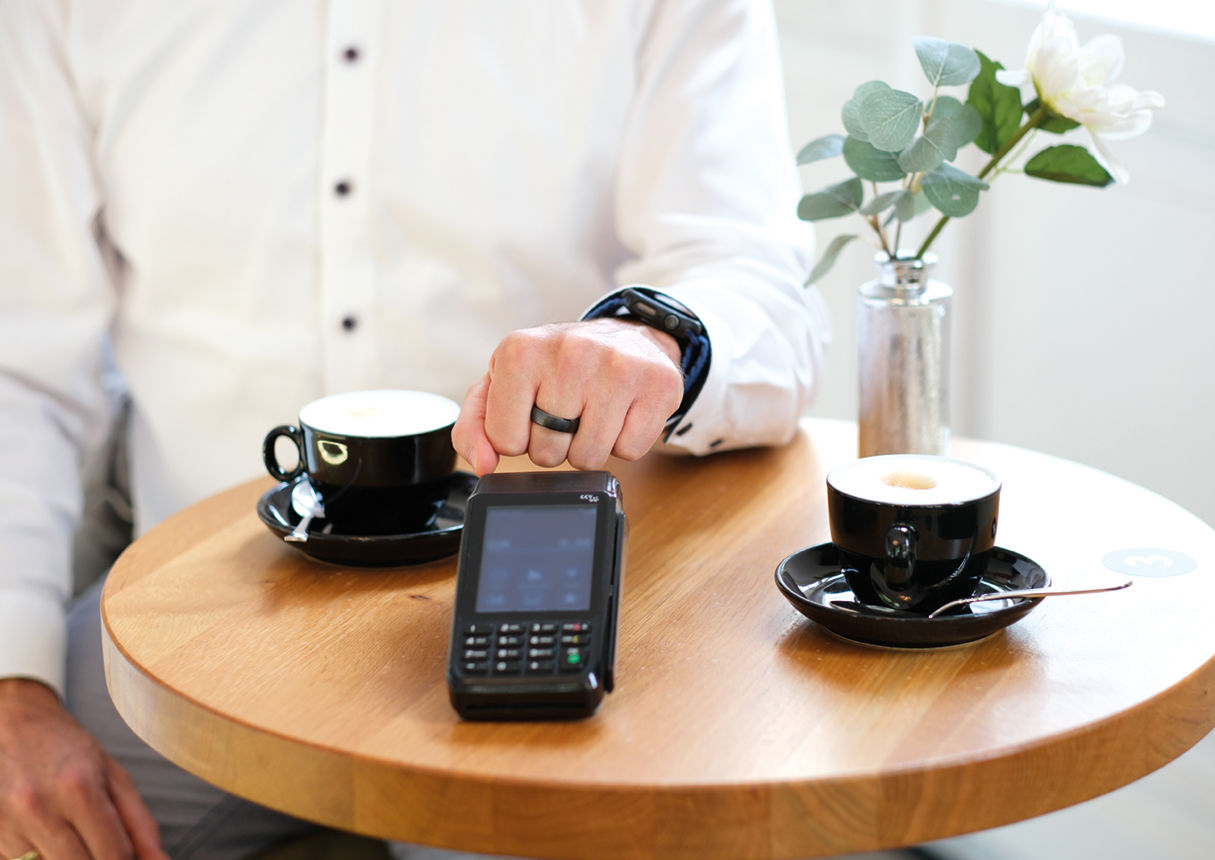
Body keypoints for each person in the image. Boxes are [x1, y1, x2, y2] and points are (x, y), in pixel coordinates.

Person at [0, 1, 827, 858]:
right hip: (189, 622)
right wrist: (9, 688)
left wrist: (653, 335)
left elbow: (757, 281)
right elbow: (16, 366)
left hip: (539, 604)